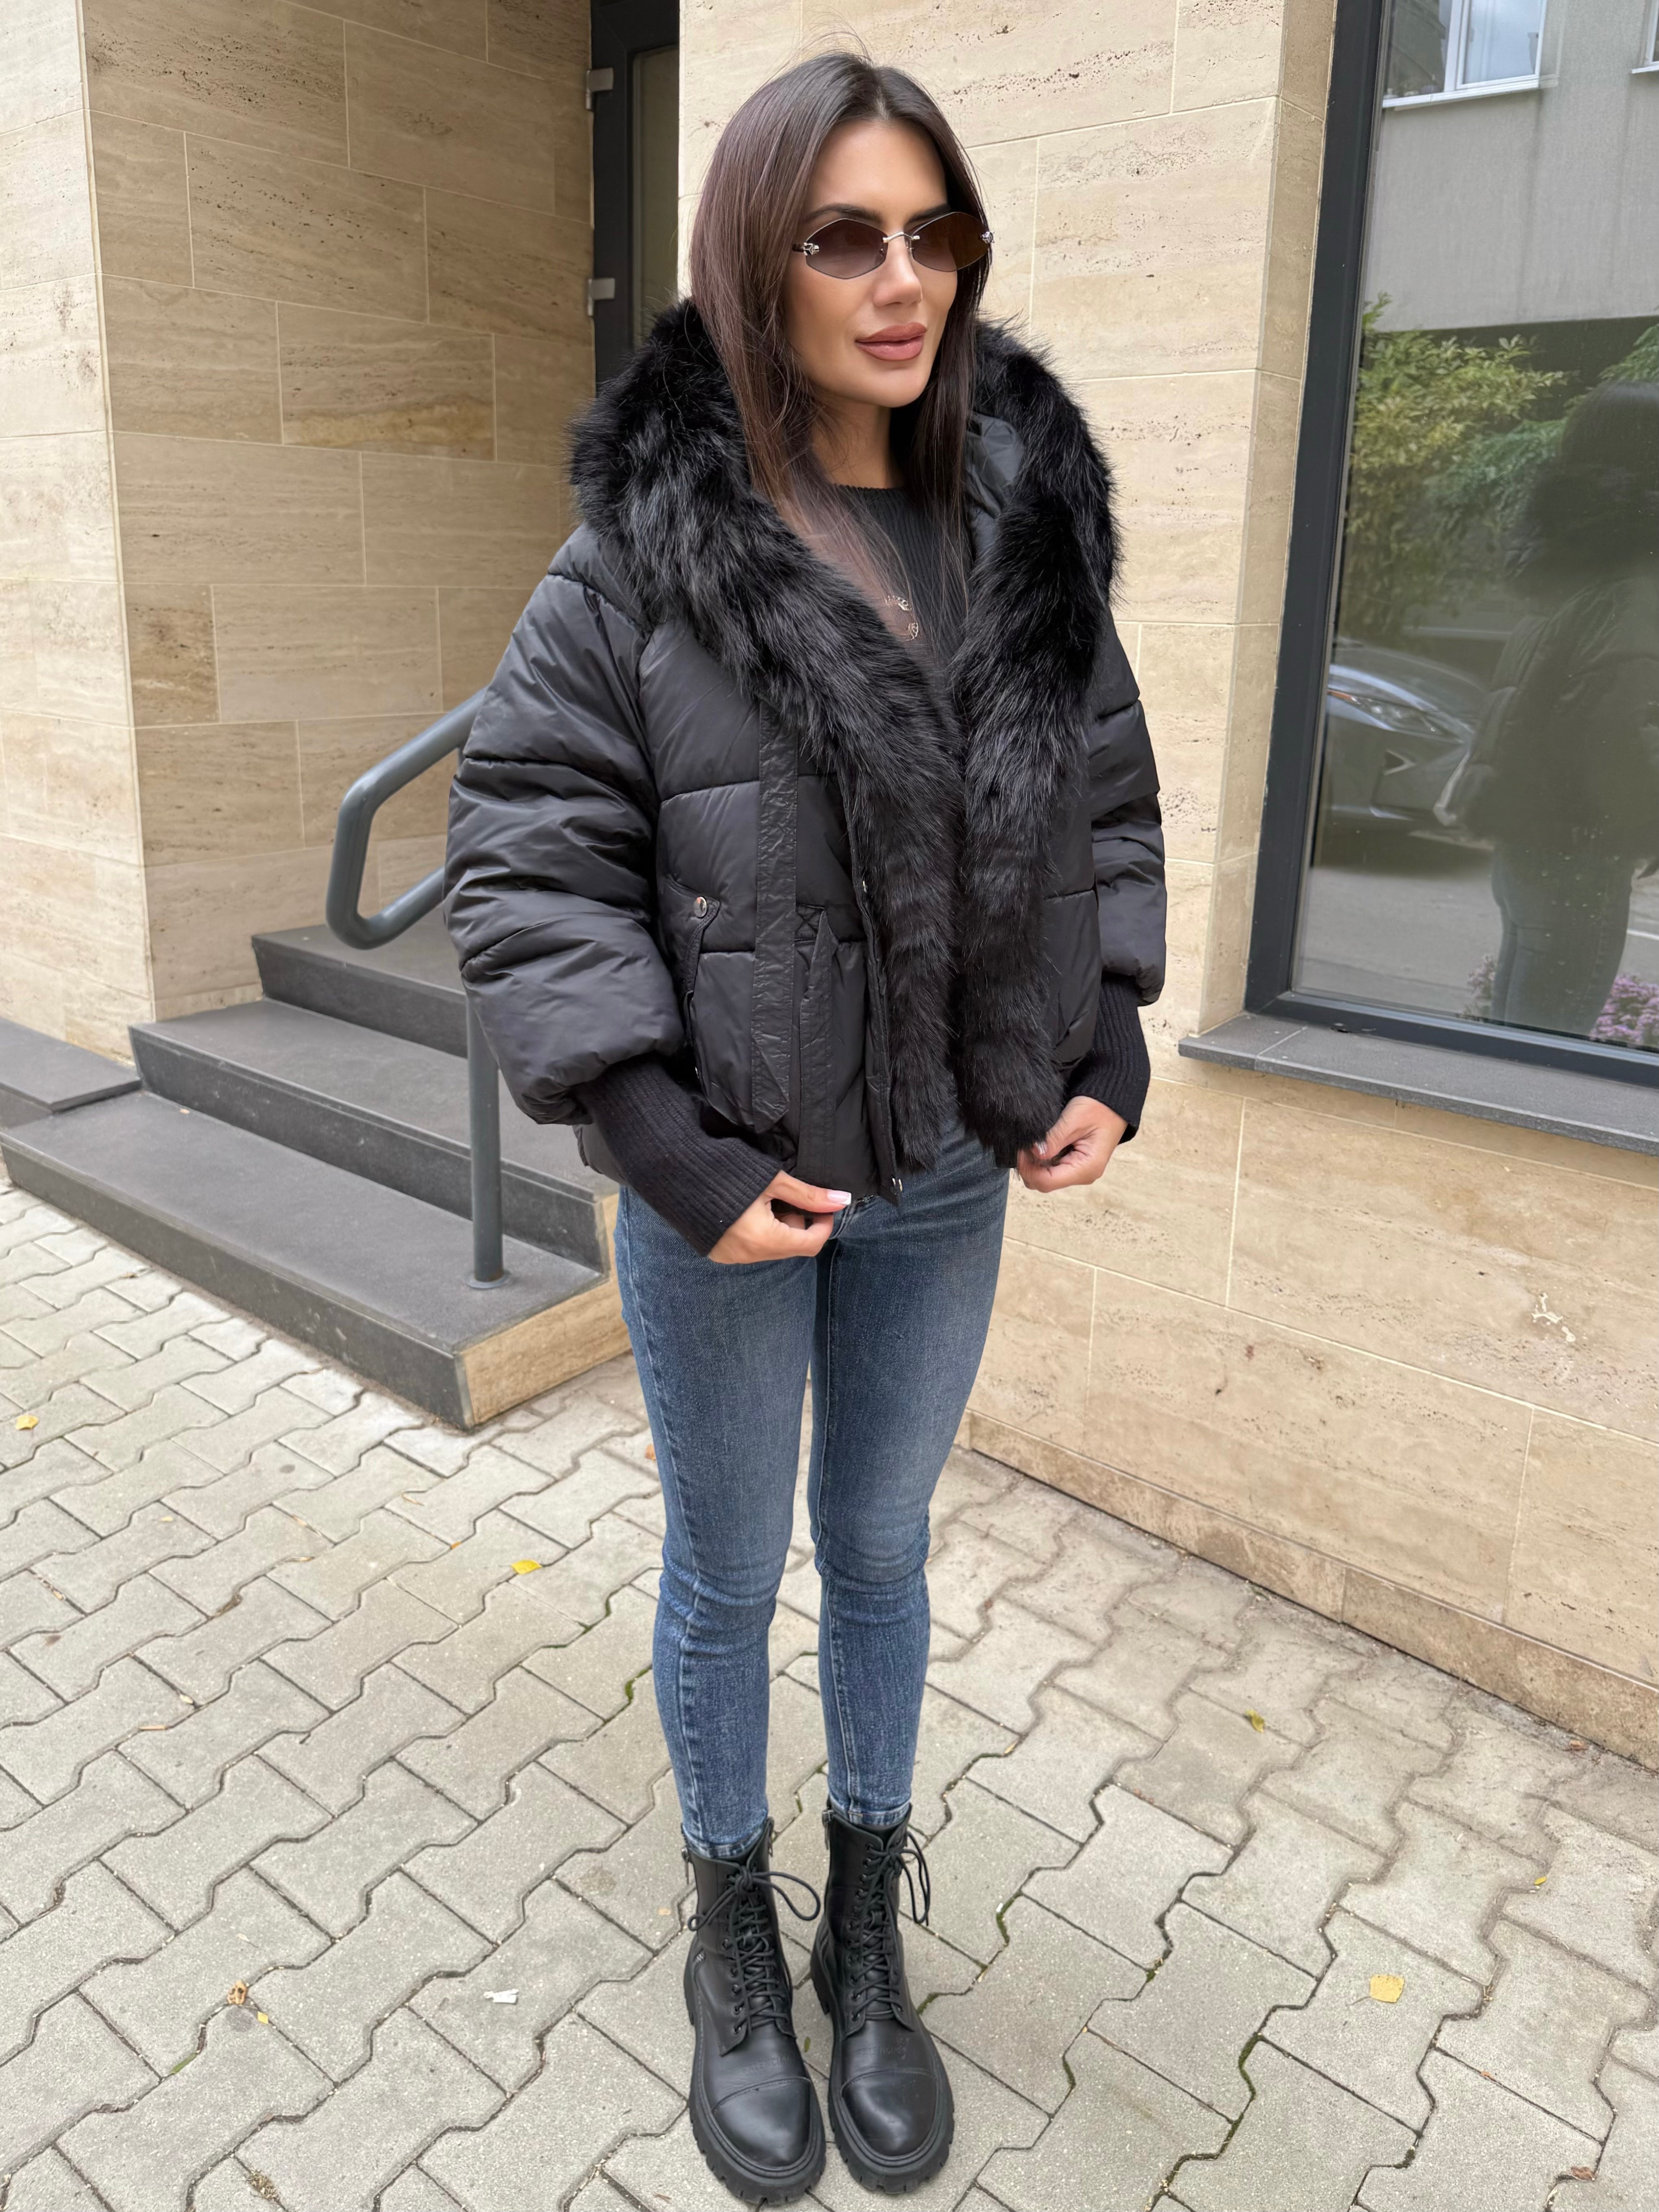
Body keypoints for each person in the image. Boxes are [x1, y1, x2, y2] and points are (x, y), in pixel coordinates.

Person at [444, 51, 1166, 2204]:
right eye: (845, 235)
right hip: (732, 1183)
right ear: (754, 258)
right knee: (725, 1565)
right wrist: (659, 1139)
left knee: (879, 1553)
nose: (900, 278)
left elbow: (1105, 803)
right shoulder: (634, 563)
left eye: (933, 232)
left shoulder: (1023, 532)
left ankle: (865, 1921)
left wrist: (1104, 1045)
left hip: (944, 1176)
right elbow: (526, 853)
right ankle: (731, 1924)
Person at [1446, 381, 1659, 1037]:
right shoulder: (1632, 579)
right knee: (1542, 1058)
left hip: (1529, 845)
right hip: (1577, 854)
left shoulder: (1567, 565)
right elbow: (1618, 731)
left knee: (1514, 1040)